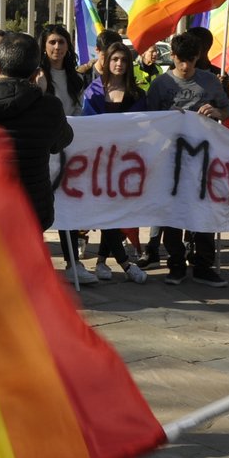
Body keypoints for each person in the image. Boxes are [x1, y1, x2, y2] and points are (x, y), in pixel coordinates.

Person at [0, 33, 74, 271]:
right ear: (35, 71)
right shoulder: (48, 106)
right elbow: (61, 141)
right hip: (31, 208)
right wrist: (40, 93)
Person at [144, 30, 229, 287]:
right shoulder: (160, 84)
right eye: (180, 60)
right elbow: (149, 122)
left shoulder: (210, 82)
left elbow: (226, 110)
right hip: (170, 160)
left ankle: (203, 265)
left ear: (198, 57)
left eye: (190, 60)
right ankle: (176, 264)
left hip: (204, 159)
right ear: (172, 56)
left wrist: (216, 111)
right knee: (173, 212)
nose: (185, 66)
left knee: (204, 210)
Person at [80, 40, 148, 283]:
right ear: (106, 62)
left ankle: (101, 261)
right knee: (104, 211)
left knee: (118, 213)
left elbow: (143, 127)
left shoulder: (137, 94)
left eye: (123, 60)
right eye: (114, 59)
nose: (119, 64)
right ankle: (125, 263)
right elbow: (88, 125)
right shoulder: (94, 92)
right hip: (98, 162)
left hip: (126, 163)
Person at [38, 22, 88, 281]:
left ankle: (73, 262)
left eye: (62, 42)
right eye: (52, 43)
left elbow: (78, 111)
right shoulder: (37, 76)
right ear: (44, 47)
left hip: (68, 148)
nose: (57, 47)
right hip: (43, 149)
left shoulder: (76, 78)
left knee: (68, 205)